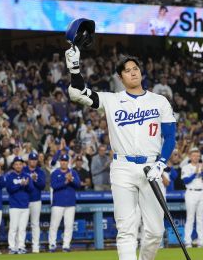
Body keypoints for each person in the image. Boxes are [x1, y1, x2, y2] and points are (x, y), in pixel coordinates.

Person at [66, 46, 176, 260]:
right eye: (127, 70)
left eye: (136, 68)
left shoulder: (159, 101)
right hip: (122, 167)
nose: (133, 72)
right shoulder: (111, 99)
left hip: (151, 166)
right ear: (120, 77)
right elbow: (78, 93)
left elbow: (170, 136)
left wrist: (161, 164)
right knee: (126, 228)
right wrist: (74, 68)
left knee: (155, 231)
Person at [49, 154, 81, 252]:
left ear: (68, 162)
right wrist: (65, 181)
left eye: (65, 161)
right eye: (62, 161)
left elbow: (78, 185)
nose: (63, 162)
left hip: (70, 203)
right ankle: (52, 244)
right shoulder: (55, 173)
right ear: (60, 162)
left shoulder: (73, 172)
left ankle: (66, 245)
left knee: (69, 225)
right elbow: (54, 185)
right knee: (54, 225)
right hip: (58, 203)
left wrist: (71, 179)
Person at [181, 148, 203, 248]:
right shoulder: (186, 167)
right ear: (190, 157)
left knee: (200, 218)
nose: (196, 157)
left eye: (198, 156)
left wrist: (201, 171)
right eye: (194, 156)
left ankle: (201, 241)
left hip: (201, 193)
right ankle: (187, 241)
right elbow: (186, 181)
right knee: (190, 218)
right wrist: (195, 172)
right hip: (191, 192)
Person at [6, 156, 34, 254]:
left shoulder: (27, 176)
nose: (18, 166)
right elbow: (10, 189)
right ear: (13, 166)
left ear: (22, 165)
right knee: (13, 228)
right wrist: (20, 185)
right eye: (16, 164)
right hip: (14, 206)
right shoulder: (10, 176)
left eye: (20, 164)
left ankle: (21, 246)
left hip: (25, 206)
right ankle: (12, 247)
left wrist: (26, 184)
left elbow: (31, 189)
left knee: (22, 228)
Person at [23, 152, 46, 253]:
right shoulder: (23, 170)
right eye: (31, 159)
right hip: (24, 200)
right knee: (22, 224)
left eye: (35, 159)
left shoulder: (40, 171)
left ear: (37, 161)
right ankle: (20, 245)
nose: (33, 161)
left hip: (36, 200)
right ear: (28, 160)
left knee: (35, 224)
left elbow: (42, 185)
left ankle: (36, 246)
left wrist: (34, 179)